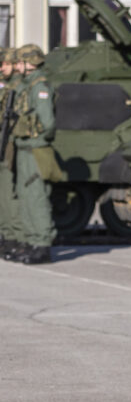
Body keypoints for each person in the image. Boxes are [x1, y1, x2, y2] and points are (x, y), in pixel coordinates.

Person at [7, 44, 59, 265]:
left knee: (36, 198)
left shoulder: (40, 87)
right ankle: (30, 241)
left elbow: (48, 123)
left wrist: (26, 129)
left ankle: (42, 244)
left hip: (36, 149)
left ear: (31, 62)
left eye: (21, 61)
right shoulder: (27, 86)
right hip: (24, 148)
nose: (17, 65)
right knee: (25, 196)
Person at [0, 48, 20, 259]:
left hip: (9, 145)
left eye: (4, 64)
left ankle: (12, 237)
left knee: (9, 192)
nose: (1, 68)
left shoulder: (14, 87)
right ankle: (7, 235)